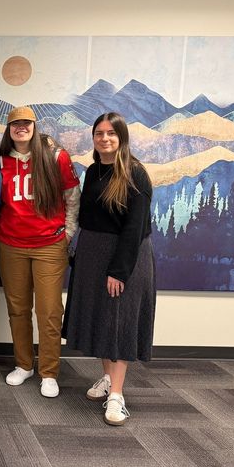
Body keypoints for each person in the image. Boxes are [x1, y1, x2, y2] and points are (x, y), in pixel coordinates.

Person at [63, 112, 156, 426]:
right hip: (93, 256)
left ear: (122, 137)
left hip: (124, 258)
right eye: (99, 133)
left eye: (111, 133)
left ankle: (117, 395)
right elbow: (88, 218)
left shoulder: (135, 174)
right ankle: (106, 378)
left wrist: (119, 271)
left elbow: (135, 228)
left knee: (118, 324)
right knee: (102, 320)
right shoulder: (93, 172)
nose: (104, 138)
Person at [0, 106, 80, 398]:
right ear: (8, 129)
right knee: (18, 309)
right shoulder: (0, 162)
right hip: (11, 245)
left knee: (48, 311)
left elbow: (72, 197)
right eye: (15, 124)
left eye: (26, 123)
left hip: (48, 245)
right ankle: (23, 364)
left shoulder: (56, 156)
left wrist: (67, 234)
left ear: (35, 125)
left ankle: (49, 371)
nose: (21, 127)